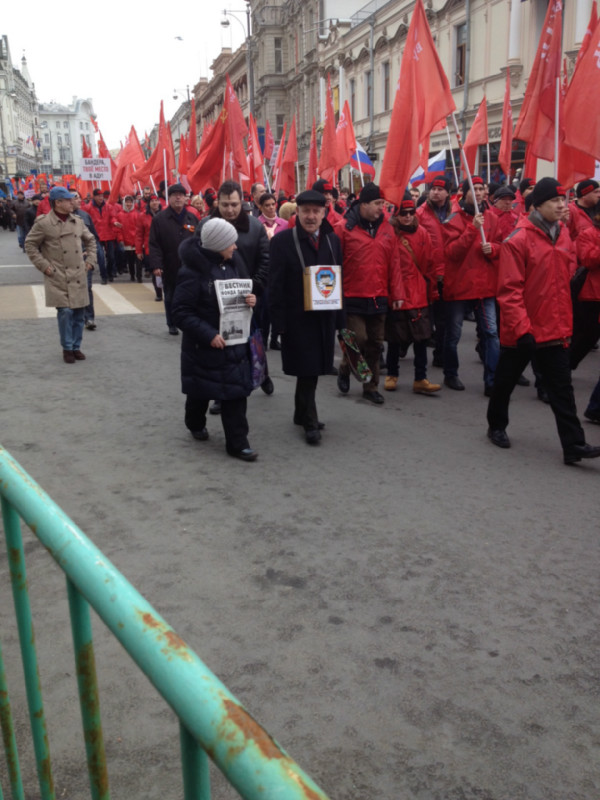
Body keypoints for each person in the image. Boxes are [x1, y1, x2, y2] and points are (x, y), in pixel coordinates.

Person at [486, 178, 600, 465]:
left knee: (562, 389)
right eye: (555, 201)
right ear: (537, 205)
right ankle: (496, 425)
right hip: (523, 330)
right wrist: (523, 330)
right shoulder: (518, 240)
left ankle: (573, 445)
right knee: (505, 383)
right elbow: (509, 291)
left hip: (555, 328)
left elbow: (566, 277)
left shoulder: (563, 235)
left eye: (563, 200)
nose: (562, 205)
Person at [173, 218, 258, 462]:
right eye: (231, 242)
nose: (236, 247)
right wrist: (208, 334)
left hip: (233, 342)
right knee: (200, 389)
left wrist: (251, 300)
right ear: (218, 243)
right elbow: (180, 312)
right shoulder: (191, 272)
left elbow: (243, 291)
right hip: (205, 344)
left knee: (235, 393)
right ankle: (195, 422)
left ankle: (238, 443)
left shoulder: (232, 263)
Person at [269, 190, 344, 444]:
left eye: (316, 211)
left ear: (324, 213)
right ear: (297, 213)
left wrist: (340, 320)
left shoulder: (332, 240)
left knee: (311, 370)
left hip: (324, 318)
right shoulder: (282, 242)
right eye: (306, 211)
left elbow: (338, 280)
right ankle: (310, 422)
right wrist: (278, 323)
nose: (311, 216)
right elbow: (274, 285)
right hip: (297, 318)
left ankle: (301, 414)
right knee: (308, 369)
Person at [196, 180, 273, 406]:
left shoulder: (255, 227)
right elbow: (197, 261)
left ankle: (262, 373)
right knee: (226, 348)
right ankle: (223, 395)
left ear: (243, 202)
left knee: (253, 340)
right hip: (217, 301)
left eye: (235, 204)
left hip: (249, 297)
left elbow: (265, 262)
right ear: (217, 202)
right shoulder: (206, 226)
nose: (230, 210)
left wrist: (255, 288)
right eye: (225, 204)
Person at [335, 182, 405, 405]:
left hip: (379, 296)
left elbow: (394, 263)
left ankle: (371, 386)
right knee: (358, 340)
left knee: (375, 343)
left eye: (383, 204)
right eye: (377, 204)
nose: (381, 209)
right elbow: (333, 265)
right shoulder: (344, 228)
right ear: (363, 204)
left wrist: (398, 294)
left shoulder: (387, 229)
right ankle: (346, 367)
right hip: (352, 295)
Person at [442, 176, 501, 395]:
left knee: (492, 333)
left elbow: (503, 246)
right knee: (454, 333)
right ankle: (451, 372)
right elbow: (451, 253)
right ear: (464, 192)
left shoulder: (492, 218)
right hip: (460, 285)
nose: (478, 192)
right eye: (473, 189)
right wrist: (471, 230)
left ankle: (492, 380)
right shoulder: (453, 219)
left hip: (484, 286)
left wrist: (493, 249)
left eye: (481, 188)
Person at [24, 187, 97, 363]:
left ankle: (76, 346)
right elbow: (30, 245)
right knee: (65, 312)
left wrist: (90, 260)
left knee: (79, 312)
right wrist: (44, 266)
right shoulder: (44, 223)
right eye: (69, 200)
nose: (73, 202)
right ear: (58, 203)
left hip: (78, 272)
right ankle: (67, 347)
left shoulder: (77, 221)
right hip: (57, 274)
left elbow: (91, 240)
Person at [385, 194, 441, 395]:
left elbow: (429, 265)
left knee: (421, 339)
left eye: (411, 212)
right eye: (403, 213)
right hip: (398, 292)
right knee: (394, 338)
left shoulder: (423, 234)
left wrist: (432, 290)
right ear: (396, 214)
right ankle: (392, 374)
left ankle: (420, 378)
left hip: (418, 292)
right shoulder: (390, 234)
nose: (407, 217)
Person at [149, 183, 198, 335]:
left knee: (190, 296)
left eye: (181, 195)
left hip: (190, 266)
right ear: (168, 198)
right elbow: (154, 244)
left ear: (185, 198)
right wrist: (156, 265)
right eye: (174, 194)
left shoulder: (192, 218)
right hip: (169, 265)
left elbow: (199, 241)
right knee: (170, 295)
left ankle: (187, 321)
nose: (178, 197)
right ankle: (171, 323)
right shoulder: (160, 219)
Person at [72, 191, 100, 331]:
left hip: (84, 259)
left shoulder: (84, 216)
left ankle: (89, 318)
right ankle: (75, 316)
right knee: (72, 288)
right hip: (67, 261)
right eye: (74, 197)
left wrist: (90, 254)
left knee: (87, 287)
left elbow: (93, 237)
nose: (78, 200)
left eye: (78, 197)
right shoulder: (56, 219)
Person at [84, 188, 117, 283]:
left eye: (102, 196)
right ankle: (104, 276)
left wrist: (114, 222)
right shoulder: (88, 208)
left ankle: (110, 272)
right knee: (101, 257)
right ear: (94, 197)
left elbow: (112, 217)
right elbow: (87, 222)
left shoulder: (109, 207)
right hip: (96, 236)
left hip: (108, 234)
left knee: (111, 257)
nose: (101, 198)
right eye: (98, 196)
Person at [136, 195, 163, 301]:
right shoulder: (142, 216)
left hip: (164, 247)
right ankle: (158, 293)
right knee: (155, 271)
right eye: (152, 201)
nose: (155, 203)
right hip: (150, 248)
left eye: (157, 200)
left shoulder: (164, 214)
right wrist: (138, 250)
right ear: (148, 203)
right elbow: (139, 234)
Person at [113, 196, 140, 282]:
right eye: (127, 202)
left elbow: (139, 228)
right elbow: (118, 229)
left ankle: (139, 276)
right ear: (124, 203)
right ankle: (132, 275)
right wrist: (121, 239)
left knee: (139, 260)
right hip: (126, 241)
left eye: (130, 202)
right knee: (130, 261)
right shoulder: (120, 215)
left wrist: (139, 239)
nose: (129, 204)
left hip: (136, 241)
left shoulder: (136, 214)